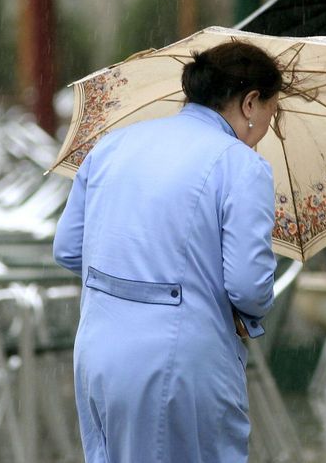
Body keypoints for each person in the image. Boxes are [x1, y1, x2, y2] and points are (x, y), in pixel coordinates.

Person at [53, 41, 286, 463]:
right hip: (181, 362)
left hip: (98, 351)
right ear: (251, 102)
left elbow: (68, 248)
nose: (269, 124)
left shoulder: (112, 144)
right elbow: (249, 287)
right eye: (273, 110)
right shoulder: (241, 165)